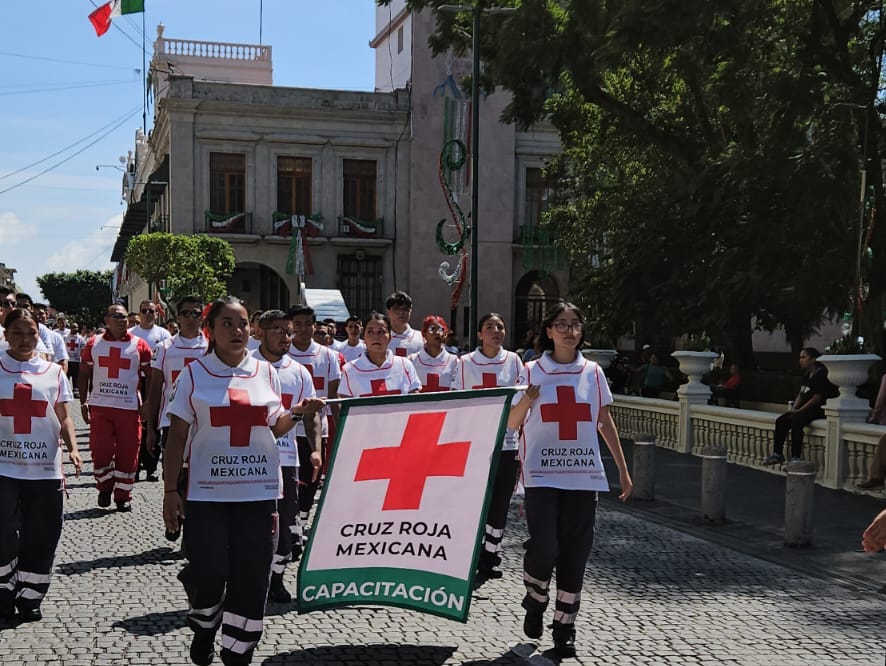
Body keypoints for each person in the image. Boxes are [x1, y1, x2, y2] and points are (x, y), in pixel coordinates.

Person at [162, 296, 306, 666]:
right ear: (210, 330)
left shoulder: (265, 372)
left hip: (258, 493)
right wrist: (170, 491)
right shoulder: (193, 374)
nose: (237, 331)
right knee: (207, 572)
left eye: (242, 323)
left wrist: (299, 414)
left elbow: (274, 427)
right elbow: (177, 435)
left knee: (252, 574)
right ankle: (205, 625)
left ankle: (238, 651)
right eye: (227, 323)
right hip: (207, 494)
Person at [508, 301, 633, 658]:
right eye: (560, 324)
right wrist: (525, 401)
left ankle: (564, 627)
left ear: (581, 331)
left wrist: (622, 470)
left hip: (583, 477)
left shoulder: (593, 372)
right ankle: (535, 597)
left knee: (575, 554)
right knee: (545, 546)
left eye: (574, 324)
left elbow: (604, 422)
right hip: (541, 475)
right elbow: (511, 424)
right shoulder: (532, 370)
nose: (568, 330)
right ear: (548, 331)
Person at [0, 308, 82, 625]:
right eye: (17, 332)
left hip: (45, 468)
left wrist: (74, 449)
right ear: (5, 334)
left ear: (40, 334)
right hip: (4, 467)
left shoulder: (52, 372)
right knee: (4, 531)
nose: (24, 339)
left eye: (31, 332)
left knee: (44, 533)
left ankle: (31, 596)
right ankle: (4, 591)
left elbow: (63, 415)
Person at [253, 310, 324, 603]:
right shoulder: (248, 367)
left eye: (288, 331)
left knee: (285, 528)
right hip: (252, 461)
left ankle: (277, 579)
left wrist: (316, 448)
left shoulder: (299, 371)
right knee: (255, 526)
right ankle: (252, 579)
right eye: (278, 330)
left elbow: (311, 417)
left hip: (287, 461)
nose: (286, 337)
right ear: (261, 332)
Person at [453, 312, 523, 579]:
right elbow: (459, 404)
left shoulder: (515, 361)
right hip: (475, 445)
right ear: (480, 333)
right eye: (489, 327)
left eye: (500, 326)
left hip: (506, 444)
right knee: (475, 501)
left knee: (500, 502)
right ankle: (469, 553)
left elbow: (521, 402)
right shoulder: (464, 364)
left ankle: (491, 554)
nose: (496, 331)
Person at [78, 303, 152, 511]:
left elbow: (151, 377)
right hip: (101, 407)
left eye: (124, 317)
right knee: (100, 451)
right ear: (106, 320)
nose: (122, 321)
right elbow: (84, 374)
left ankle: (123, 495)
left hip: (128, 409)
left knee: (129, 453)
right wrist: (83, 401)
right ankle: (104, 487)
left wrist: (147, 403)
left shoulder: (140, 345)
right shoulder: (94, 343)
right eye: (116, 317)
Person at [287, 305, 341, 533]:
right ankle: (291, 526)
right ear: (290, 325)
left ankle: (301, 518)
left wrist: (338, 428)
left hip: (318, 430)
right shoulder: (283, 353)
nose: (303, 329)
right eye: (297, 324)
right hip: (288, 429)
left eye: (308, 324)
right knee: (290, 481)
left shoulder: (328, 356)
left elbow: (333, 397)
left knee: (311, 481)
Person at [144, 296, 208, 484]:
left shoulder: (211, 348)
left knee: (202, 476)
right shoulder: (164, 348)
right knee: (174, 476)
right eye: (185, 313)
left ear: (202, 317)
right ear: (178, 317)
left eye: (196, 313)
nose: (191, 318)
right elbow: (155, 388)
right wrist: (151, 429)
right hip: (171, 420)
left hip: (205, 421)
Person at [763, 347, 838, 465]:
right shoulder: (807, 375)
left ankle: (795, 457)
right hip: (804, 408)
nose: (800, 360)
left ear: (813, 360)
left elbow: (817, 398)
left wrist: (800, 410)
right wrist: (794, 408)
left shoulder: (822, 374)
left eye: (804, 357)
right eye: (800, 357)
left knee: (797, 422)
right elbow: (801, 394)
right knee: (781, 421)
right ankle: (778, 454)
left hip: (818, 409)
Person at [338, 312, 421, 397]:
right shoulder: (350, 370)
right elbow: (346, 406)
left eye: (381, 332)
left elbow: (415, 402)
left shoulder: (405, 365)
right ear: (364, 338)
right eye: (370, 332)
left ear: (390, 337)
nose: (376, 336)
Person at [409, 315, 458, 392]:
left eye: (441, 329)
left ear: (445, 334)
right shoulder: (412, 360)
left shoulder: (454, 362)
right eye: (432, 329)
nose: (437, 333)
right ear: (424, 333)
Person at [385, 290, 423, 357]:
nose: (401, 313)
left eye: (405, 309)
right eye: (396, 309)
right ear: (388, 312)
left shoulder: (422, 338)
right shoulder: (381, 338)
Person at [65, 323, 86, 394]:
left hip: (76, 361)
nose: (74, 329)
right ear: (70, 328)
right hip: (67, 361)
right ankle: (65, 390)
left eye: (76, 327)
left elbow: (83, 350)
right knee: (66, 376)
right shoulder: (65, 337)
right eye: (73, 327)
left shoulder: (81, 339)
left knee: (76, 377)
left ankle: (75, 390)